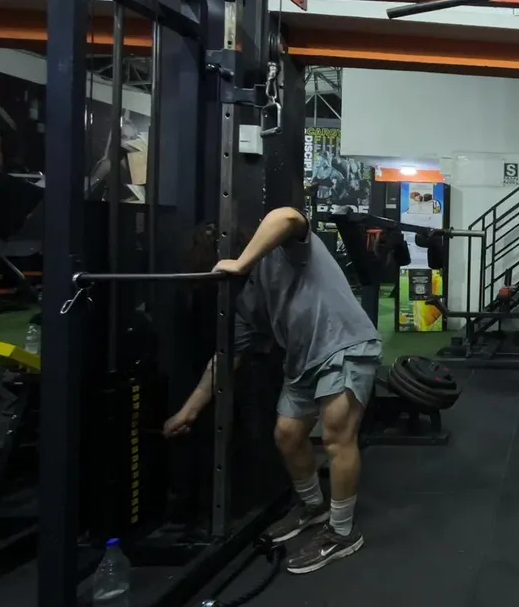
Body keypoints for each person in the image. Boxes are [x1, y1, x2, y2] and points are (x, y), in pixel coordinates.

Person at [163, 206, 381, 574]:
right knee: (287, 435)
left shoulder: (287, 248)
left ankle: (343, 532)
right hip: (303, 360)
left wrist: (242, 262)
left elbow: (288, 216)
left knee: (336, 435)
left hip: (345, 345)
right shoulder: (246, 301)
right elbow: (224, 360)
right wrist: (189, 411)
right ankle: (313, 507)